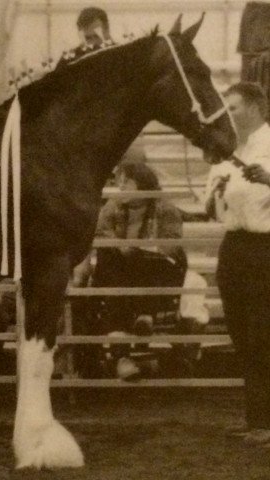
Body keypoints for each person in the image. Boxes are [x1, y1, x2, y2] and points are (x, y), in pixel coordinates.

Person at [204, 82, 270, 445]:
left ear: (258, 107)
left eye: (235, 108)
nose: (230, 115)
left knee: (263, 335)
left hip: (266, 247)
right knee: (242, 335)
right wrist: (213, 194)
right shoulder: (230, 150)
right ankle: (256, 419)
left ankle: (265, 422)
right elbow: (212, 206)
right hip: (235, 246)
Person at [90, 161, 190, 379]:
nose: (122, 187)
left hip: (155, 272)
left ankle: (123, 354)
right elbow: (99, 233)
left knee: (141, 266)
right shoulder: (113, 206)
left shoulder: (165, 208)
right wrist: (120, 245)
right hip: (122, 276)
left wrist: (143, 247)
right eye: (120, 182)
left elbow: (172, 245)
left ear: (144, 185)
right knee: (111, 263)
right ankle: (133, 337)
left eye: (127, 183)